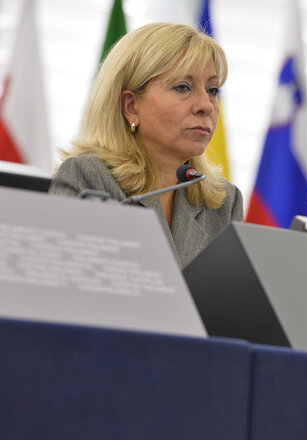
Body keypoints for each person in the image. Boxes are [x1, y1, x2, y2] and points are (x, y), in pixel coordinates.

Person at [49, 22, 243, 268]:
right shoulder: (88, 178)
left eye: (213, 90)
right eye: (183, 87)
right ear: (131, 106)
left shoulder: (224, 202)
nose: (206, 105)